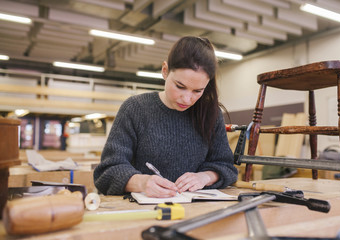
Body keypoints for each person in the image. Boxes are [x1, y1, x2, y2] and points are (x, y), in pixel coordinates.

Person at [93, 36, 238, 198]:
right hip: (143, 212)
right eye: (180, 86)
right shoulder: (135, 108)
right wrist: (141, 182)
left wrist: (205, 177)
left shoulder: (211, 114)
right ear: (165, 70)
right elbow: (106, 172)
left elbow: (226, 167)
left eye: (197, 91)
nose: (187, 98)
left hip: (196, 211)